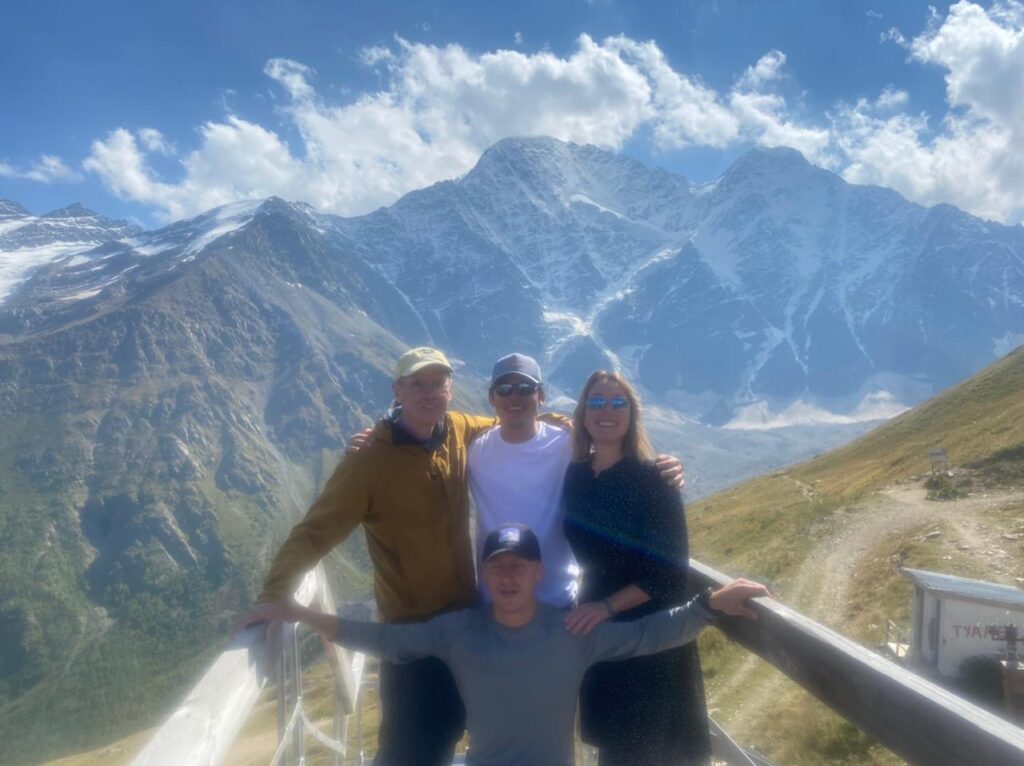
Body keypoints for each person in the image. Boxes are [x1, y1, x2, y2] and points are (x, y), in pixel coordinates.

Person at [259, 523, 770, 766]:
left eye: (518, 566)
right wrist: (303, 616)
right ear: (484, 575)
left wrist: (708, 606)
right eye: (496, 566)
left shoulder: (572, 632)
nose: (507, 576)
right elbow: (388, 640)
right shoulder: (457, 632)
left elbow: (645, 635)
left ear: (537, 572)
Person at [236, 347, 496, 766]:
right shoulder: (369, 460)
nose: (429, 392)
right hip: (409, 634)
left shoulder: (459, 429)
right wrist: (274, 592)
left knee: (450, 728)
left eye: (438, 383)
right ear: (397, 390)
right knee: (408, 747)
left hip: (466, 625)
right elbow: (314, 531)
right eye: (417, 384)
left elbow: (513, 422)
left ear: (450, 388)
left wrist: (566, 425)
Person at [562, 370, 709, 765]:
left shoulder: (654, 477)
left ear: (632, 414)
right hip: (600, 633)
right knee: (615, 749)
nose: (606, 411)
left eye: (617, 402)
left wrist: (606, 607)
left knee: (644, 747)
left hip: (650, 636)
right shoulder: (576, 474)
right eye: (596, 402)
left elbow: (668, 572)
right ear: (582, 413)